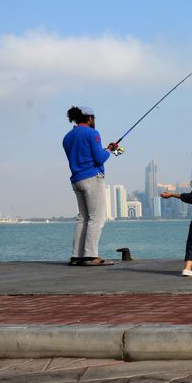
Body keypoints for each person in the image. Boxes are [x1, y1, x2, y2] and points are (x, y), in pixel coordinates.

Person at [62, 105, 121, 266]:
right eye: (93, 118)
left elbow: (83, 156)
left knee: (83, 218)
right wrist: (109, 150)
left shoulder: (67, 137)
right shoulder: (92, 133)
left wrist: (105, 149)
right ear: (89, 118)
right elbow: (99, 158)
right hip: (92, 179)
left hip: (77, 180)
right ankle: (90, 256)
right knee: (97, 218)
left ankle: (77, 256)